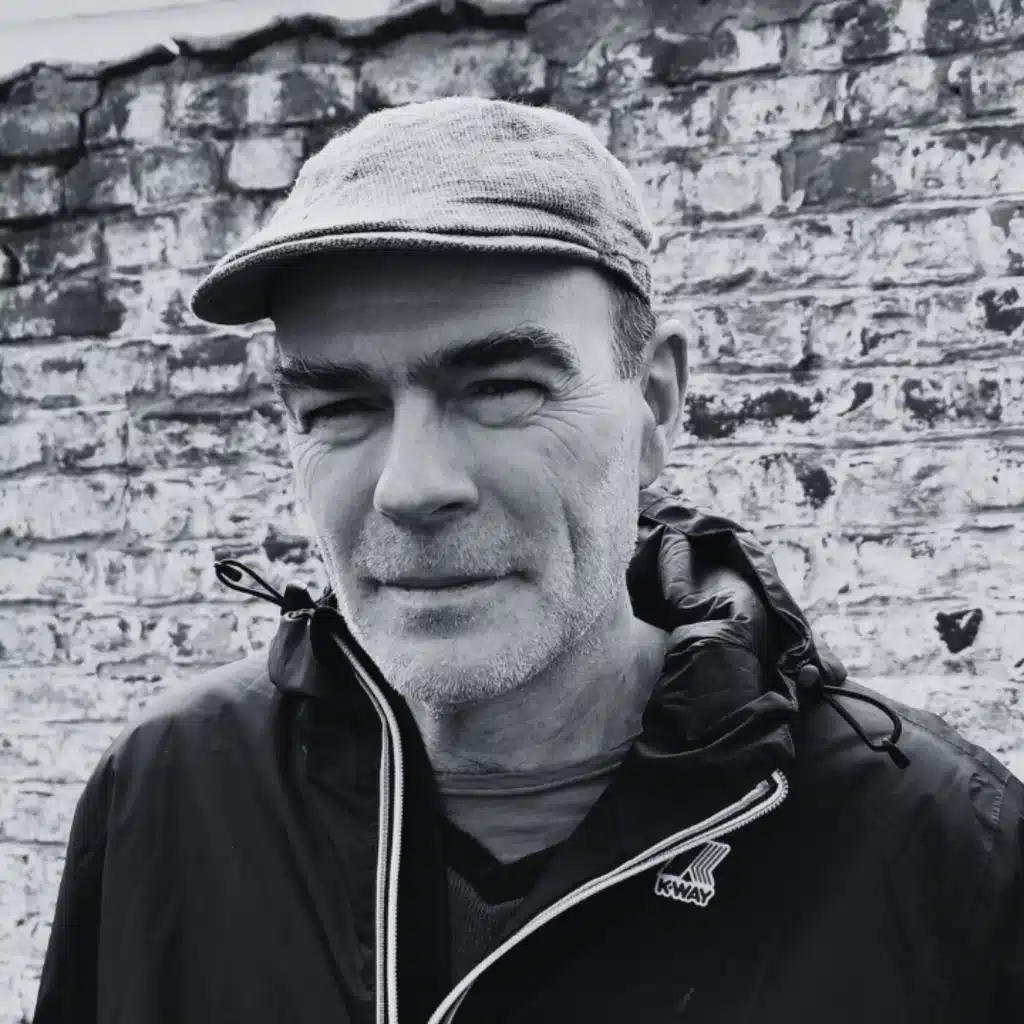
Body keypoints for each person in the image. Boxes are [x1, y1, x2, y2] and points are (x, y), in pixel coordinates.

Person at [34, 97, 1022, 1024]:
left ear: (656, 405)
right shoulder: (164, 795)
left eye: (502, 388)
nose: (409, 487)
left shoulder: (936, 846)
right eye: (338, 408)